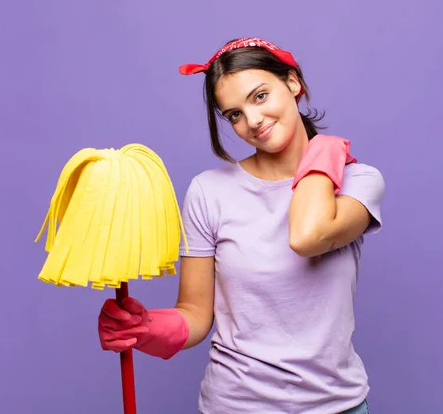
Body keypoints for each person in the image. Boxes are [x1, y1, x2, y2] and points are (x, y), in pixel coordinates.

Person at [97, 37, 385, 414]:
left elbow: (307, 235)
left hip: (337, 406)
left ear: (293, 83)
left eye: (260, 96)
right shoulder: (208, 191)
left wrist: (322, 153)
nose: (252, 121)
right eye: (233, 114)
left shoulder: (357, 181)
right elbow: (195, 314)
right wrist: (145, 328)